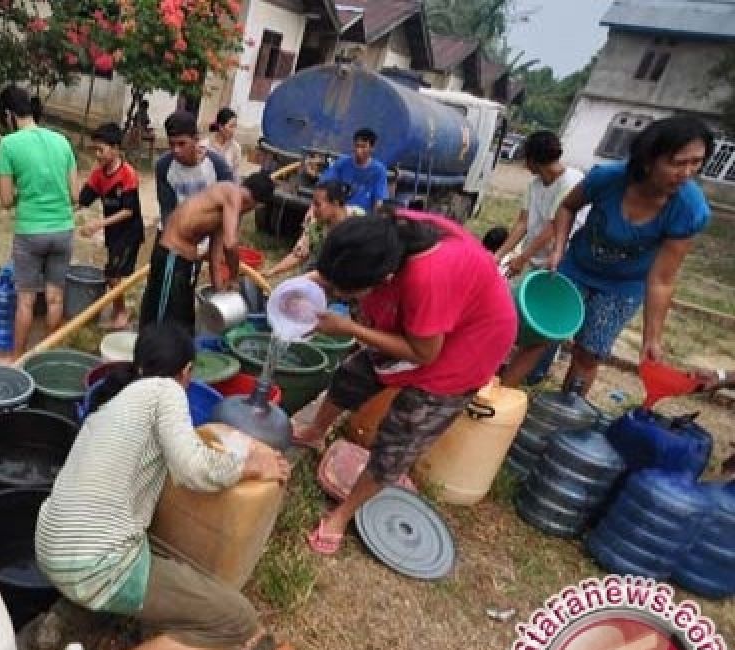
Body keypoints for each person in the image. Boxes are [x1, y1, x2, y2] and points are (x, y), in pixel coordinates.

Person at [35, 324, 289, 650]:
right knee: (237, 621)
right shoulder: (165, 391)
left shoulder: (109, 406)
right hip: (92, 566)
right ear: (186, 371)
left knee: (175, 556)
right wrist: (252, 463)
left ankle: (146, 607)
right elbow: (194, 468)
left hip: (51, 545)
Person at [293, 211, 517, 553]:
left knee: (403, 434)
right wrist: (308, 284)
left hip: (469, 345)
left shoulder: (427, 277)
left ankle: (342, 514)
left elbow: (423, 353)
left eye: (345, 290)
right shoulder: (383, 230)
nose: (338, 293)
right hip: (427, 322)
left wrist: (351, 328)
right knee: (354, 374)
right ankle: (315, 431)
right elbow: (337, 271)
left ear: (383, 278)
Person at [501, 116, 713, 393]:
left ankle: (566, 417)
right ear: (649, 159)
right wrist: (559, 249)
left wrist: (652, 337)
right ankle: (495, 399)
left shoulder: (690, 210)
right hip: (576, 267)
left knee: (588, 353)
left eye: (695, 162)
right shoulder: (609, 178)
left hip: (622, 287)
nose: (686, 173)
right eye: (677, 162)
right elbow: (567, 208)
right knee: (540, 336)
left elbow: (662, 279)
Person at [0, 85, 78, 358]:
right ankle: (48, 359)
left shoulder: (8, 145)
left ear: (9, 115)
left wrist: (24, 195)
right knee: (55, 298)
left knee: (26, 301)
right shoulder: (62, 141)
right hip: (63, 230)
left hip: (30, 232)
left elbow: (5, 200)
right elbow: (75, 195)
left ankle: (18, 358)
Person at [140, 172, 276, 332]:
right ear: (258, 205)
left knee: (183, 320)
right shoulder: (232, 192)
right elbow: (230, 244)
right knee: (162, 319)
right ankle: (151, 351)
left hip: (183, 265)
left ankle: (177, 352)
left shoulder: (227, 212)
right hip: (171, 258)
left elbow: (215, 256)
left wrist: (220, 292)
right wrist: (233, 276)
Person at [79, 123, 144, 330]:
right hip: (113, 233)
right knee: (112, 273)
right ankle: (119, 310)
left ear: (116, 148)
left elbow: (128, 211)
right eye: (95, 149)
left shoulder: (128, 174)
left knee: (113, 274)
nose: (97, 154)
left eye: (101, 149)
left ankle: (121, 313)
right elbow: (83, 200)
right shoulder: (98, 173)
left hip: (129, 232)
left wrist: (99, 224)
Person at [492, 131, 584, 277]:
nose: (524, 164)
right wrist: (497, 256)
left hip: (560, 261)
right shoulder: (534, 185)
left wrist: (522, 259)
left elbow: (553, 228)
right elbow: (523, 223)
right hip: (537, 257)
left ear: (533, 160)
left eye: (526, 158)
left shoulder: (572, 182)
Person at [154, 110, 234, 226]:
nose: (176, 150)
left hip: (207, 232)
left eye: (182, 144)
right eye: (172, 144)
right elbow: (167, 209)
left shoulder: (217, 165)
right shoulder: (164, 165)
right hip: (175, 230)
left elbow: (229, 206)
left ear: (196, 139)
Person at [265, 180, 357, 277]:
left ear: (335, 203)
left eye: (317, 204)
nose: (313, 209)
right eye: (312, 204)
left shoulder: (358, 220)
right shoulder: (316, 224)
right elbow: (299, 253)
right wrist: (273, 271)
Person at [317, 128, 389, 213]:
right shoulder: (342, 163)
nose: (358, 151)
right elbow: (324, 186)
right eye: (357, 146)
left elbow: (379, 201)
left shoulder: (379, 171)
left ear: (372, 148)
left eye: (363, 147)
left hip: (361, 218)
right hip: (339, 213)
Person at [203, 108, 242, 175]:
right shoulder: (205, 145)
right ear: (221, 126)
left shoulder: (236, 148)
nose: (234, 130)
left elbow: (235, 174)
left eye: (235, 126)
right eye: (231, 126)